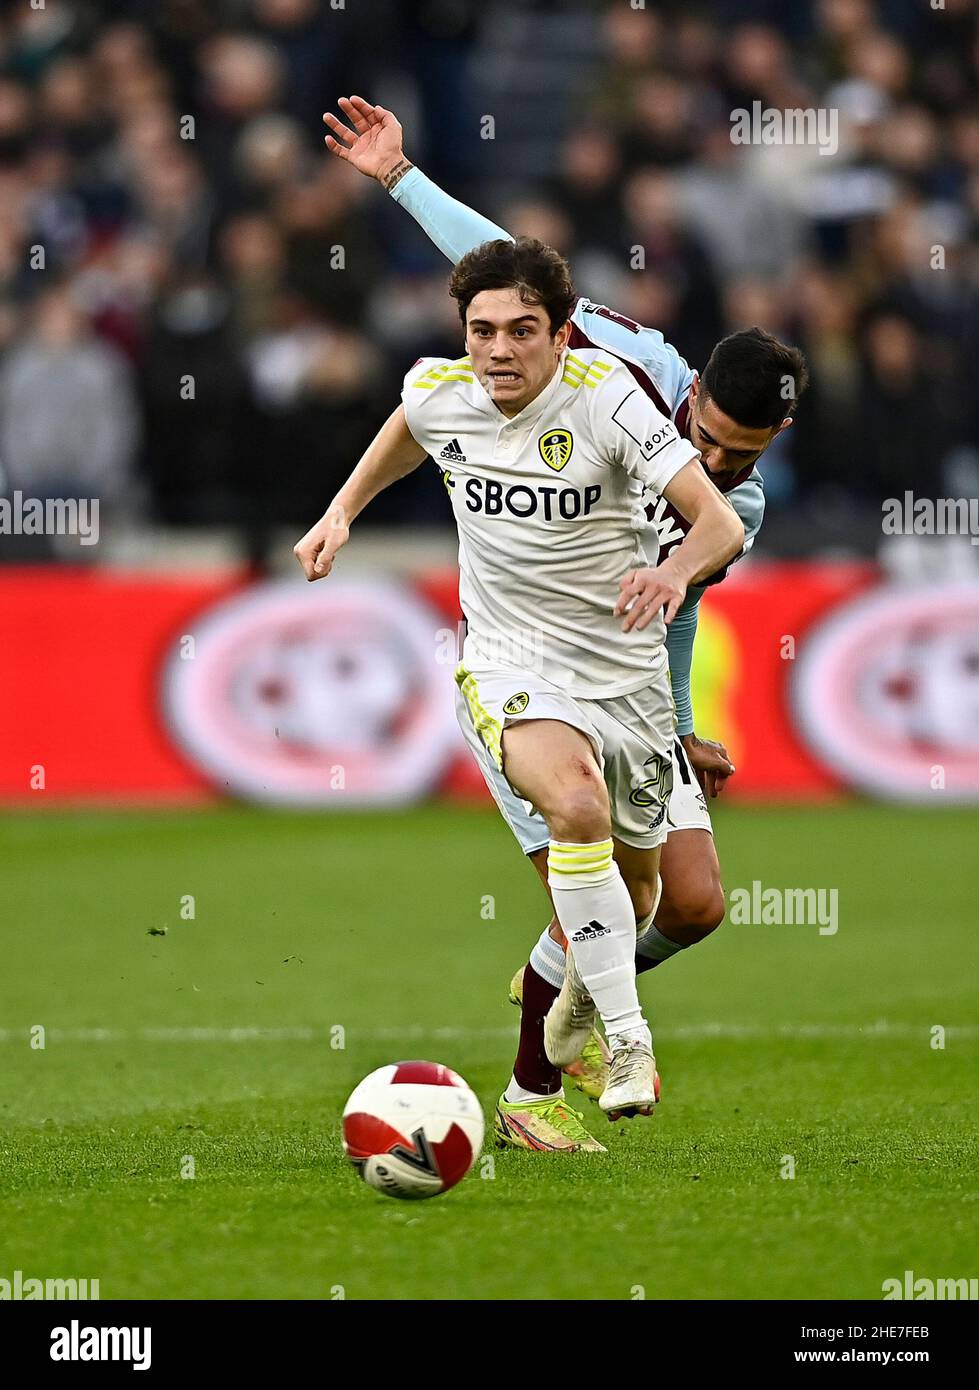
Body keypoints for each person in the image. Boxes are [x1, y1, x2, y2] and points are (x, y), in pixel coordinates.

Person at [317, 97, 810, 1153]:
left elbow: (672, 603)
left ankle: (571, 981)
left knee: (688, 905)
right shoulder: (619, 368)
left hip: (622, 677)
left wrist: (673, 721)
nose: (721, 466)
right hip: (519, 662)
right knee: (585, 850)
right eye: (713, 441)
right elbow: (501, 276)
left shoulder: (735, 508)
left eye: (746, 455)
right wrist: (400, 177)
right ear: (690, 397)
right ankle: (545, 1077)